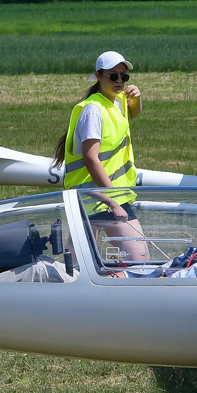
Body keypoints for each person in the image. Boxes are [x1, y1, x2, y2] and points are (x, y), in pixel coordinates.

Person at [58, 51, 145, 261]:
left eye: (124, 77)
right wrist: (113, 201)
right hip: (101, 198)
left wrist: (137, 99)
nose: (120, 81)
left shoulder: (117, 101)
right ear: (98, 76)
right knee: (139, 261)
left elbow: (131, 114)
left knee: (79, 264)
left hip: (102, 196)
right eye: (113, 76)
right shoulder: (93, 111)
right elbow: (90, 159)